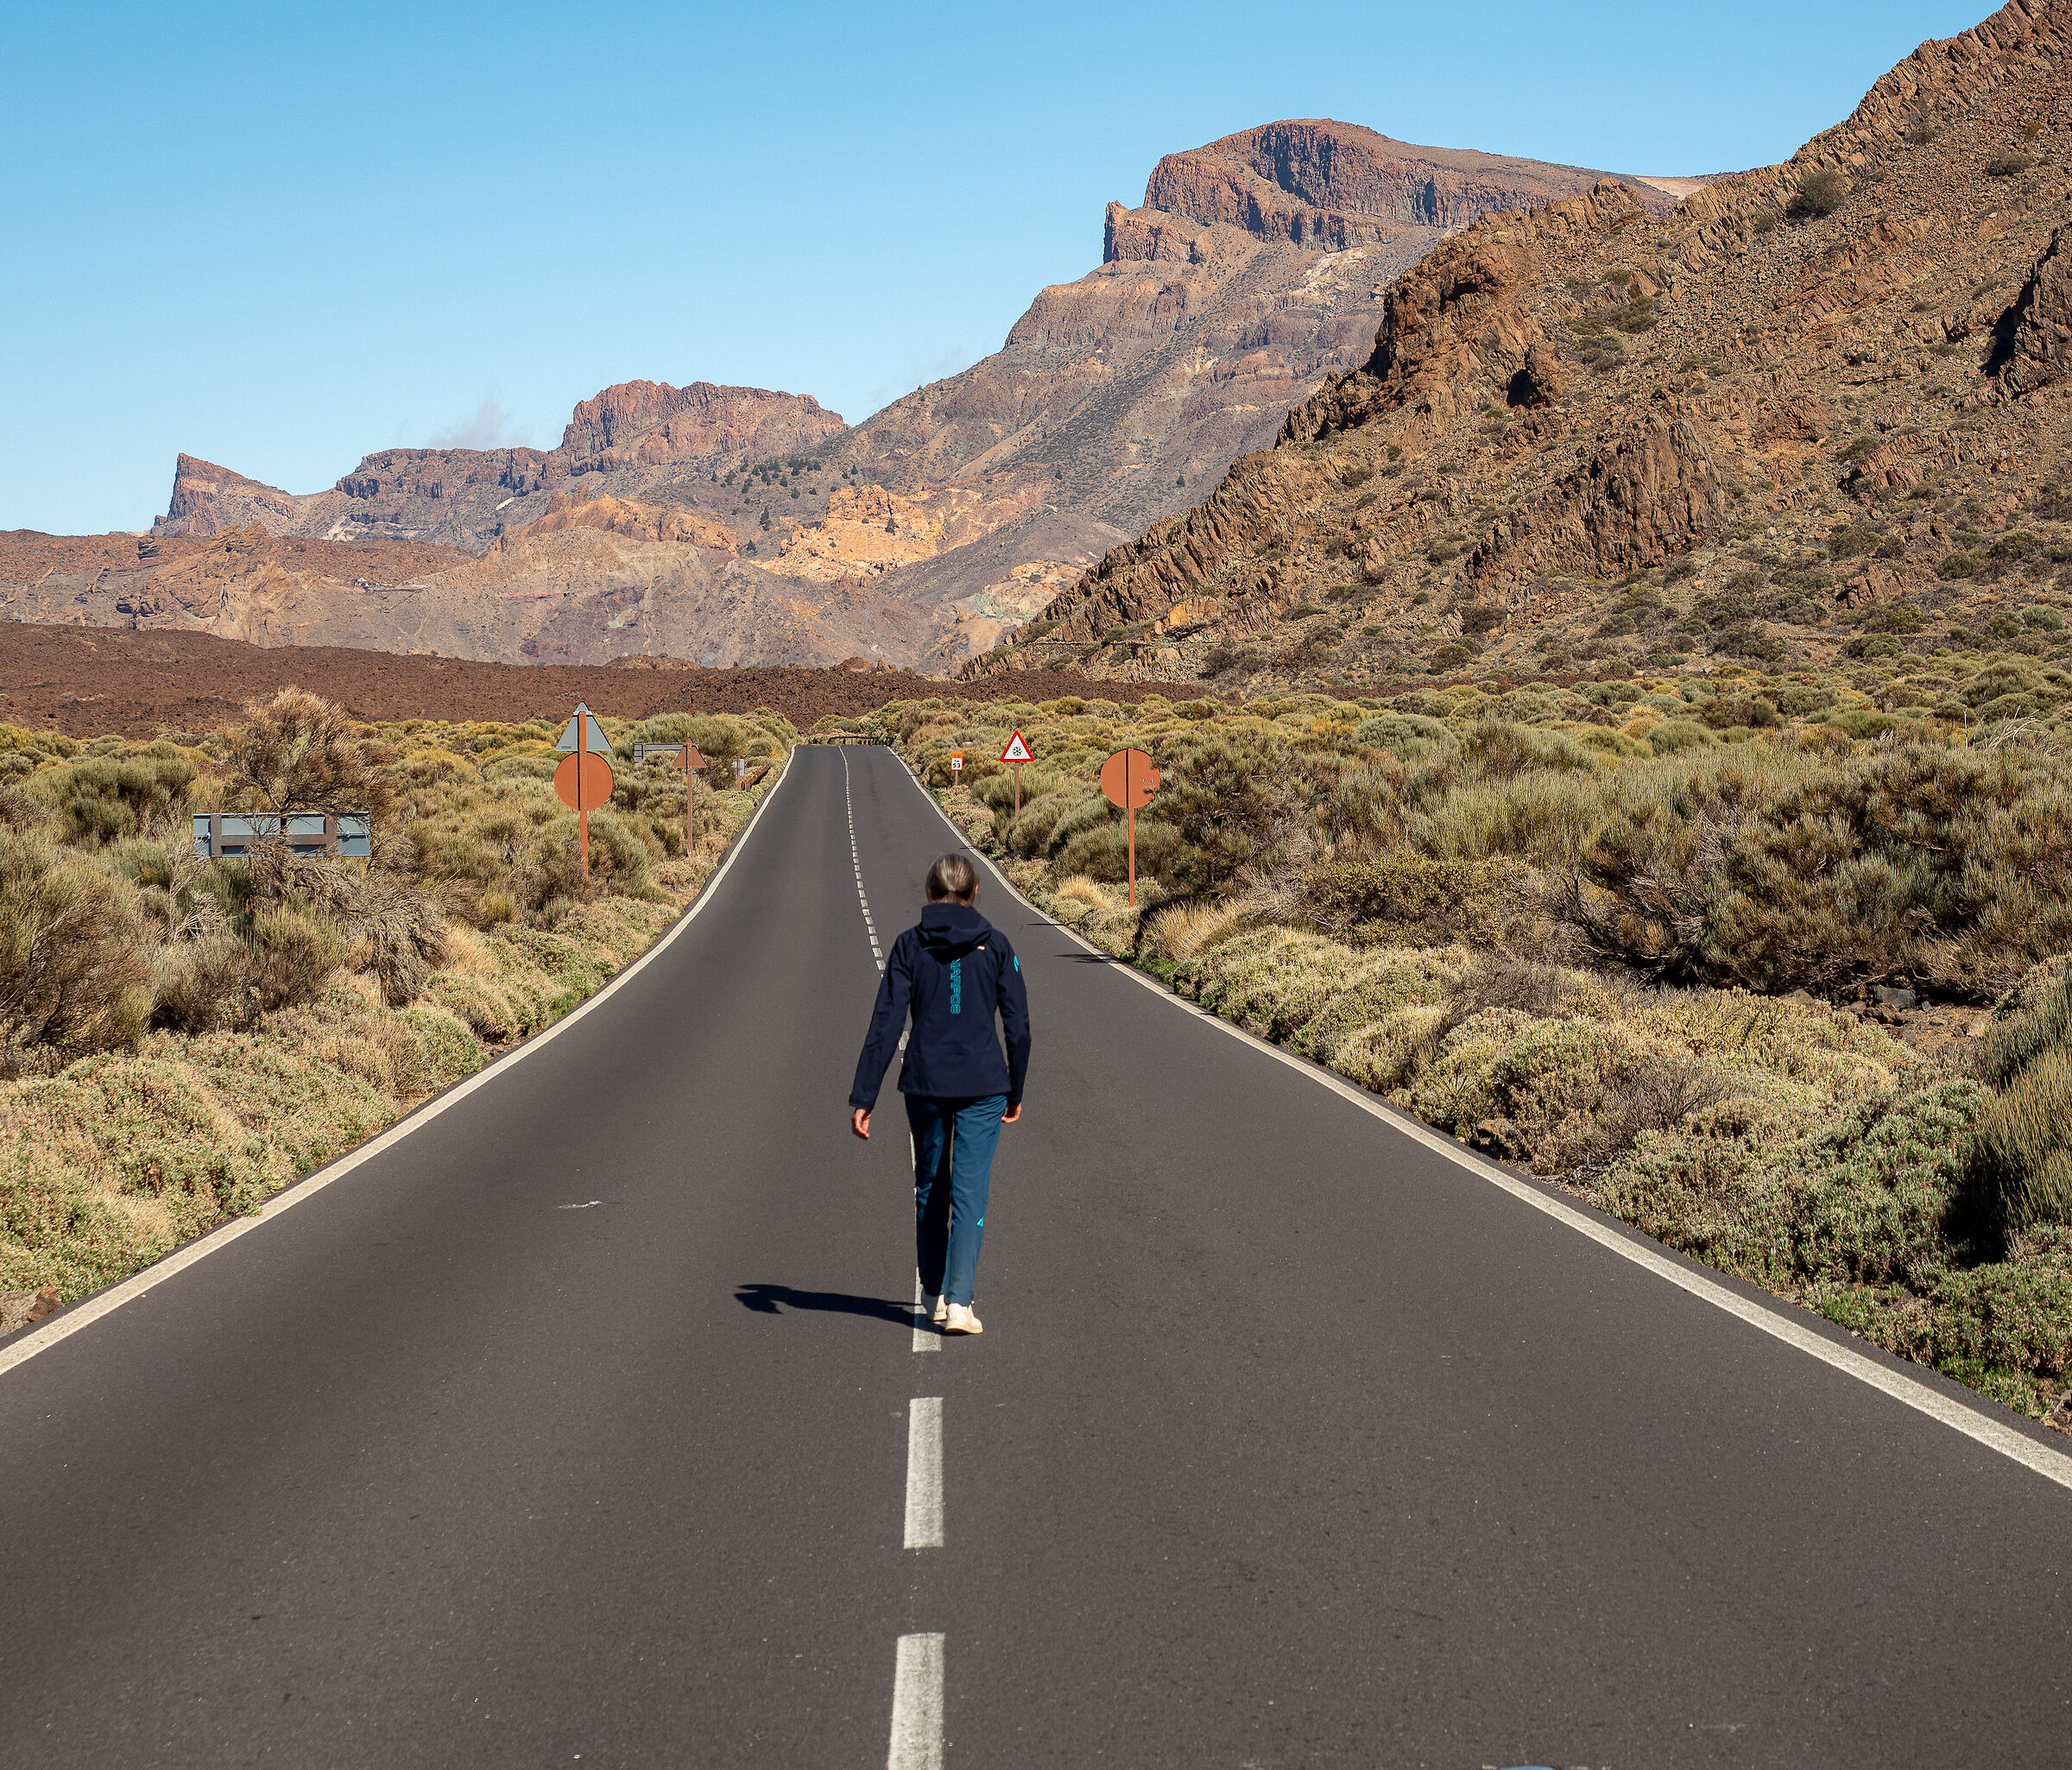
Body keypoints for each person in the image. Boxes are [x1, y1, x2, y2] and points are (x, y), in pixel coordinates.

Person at [850, 852, 1031, 1336]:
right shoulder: (997, 946)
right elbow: (1019, 1027)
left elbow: (885, 1023)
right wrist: (1016, 1089)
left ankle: (931, 1290)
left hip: (925, 1083)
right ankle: (959, 1304)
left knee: (930, 1182)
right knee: (969, 1191)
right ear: (974, 894)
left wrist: (864, 1095)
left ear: (930, 893)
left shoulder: (909, 946)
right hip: (984, 1085)